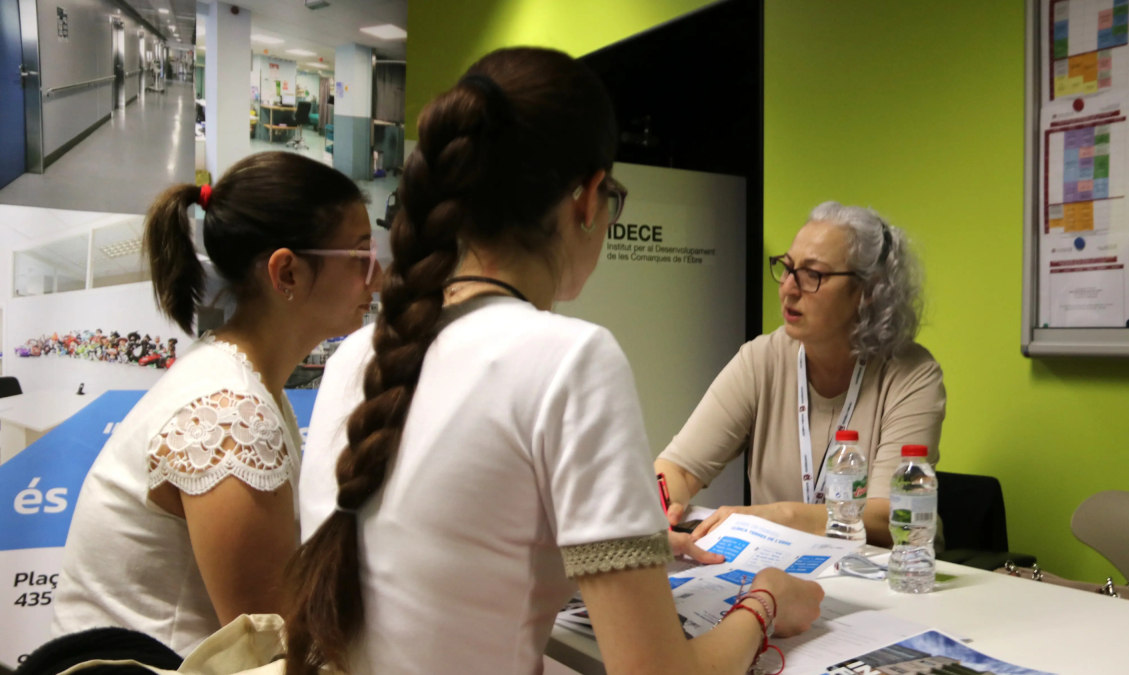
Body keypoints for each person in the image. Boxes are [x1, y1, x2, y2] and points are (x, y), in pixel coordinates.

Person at [288, 47, 824, 675]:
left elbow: (448, 565)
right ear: (587, 199)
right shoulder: (571, 359)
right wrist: (764, 603)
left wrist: (616, 554)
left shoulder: (362, 353)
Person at [50, 151, 382, 655]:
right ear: (286, 273)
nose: (375, 280)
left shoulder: (241, 379)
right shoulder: (229, 413)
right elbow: (273, 646)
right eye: (360, 258)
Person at [656, 202, 946, 547]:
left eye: (813, 275)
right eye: (787, 268)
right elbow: (681, 469)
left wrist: (776, 518)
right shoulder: (762, 359)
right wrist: (657, 507)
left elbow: (889, 517)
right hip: (778, 569)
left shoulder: (912, 375)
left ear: (869, 290)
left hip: (883, 576)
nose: (788, 288)